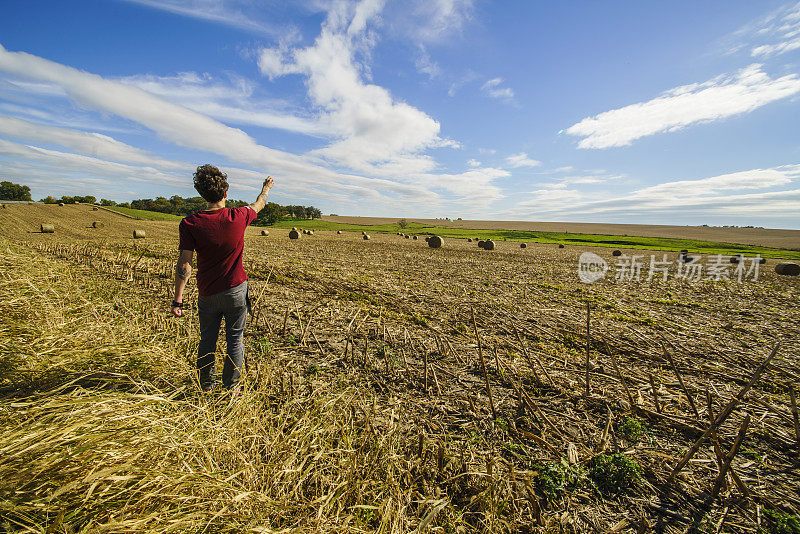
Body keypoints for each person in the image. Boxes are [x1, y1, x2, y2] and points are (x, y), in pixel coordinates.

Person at [172, 164, 274, 392]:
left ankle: (205, 387)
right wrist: (266, 189)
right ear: (226, 193)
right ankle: (231, 389)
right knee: (235, 341)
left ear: (201, 194)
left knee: (206, 341)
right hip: (236, 291)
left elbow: (185, 264)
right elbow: (260, 204)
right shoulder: (238, 216)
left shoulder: (189, 223)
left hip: (207, 292)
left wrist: (178, 299)